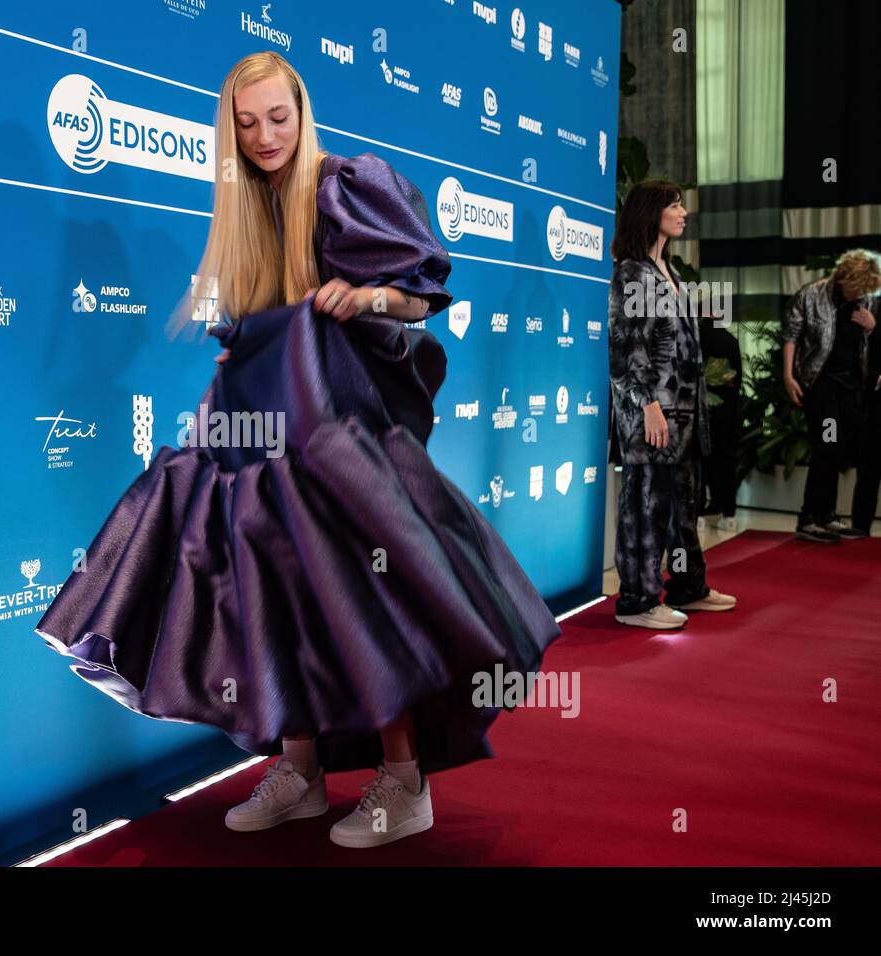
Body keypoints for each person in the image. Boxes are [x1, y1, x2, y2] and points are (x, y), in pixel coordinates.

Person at [34, 52, 560, 849]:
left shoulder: (348, 184)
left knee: (362, 599)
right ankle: (302, 773)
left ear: (302, 110)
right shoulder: (248, 209)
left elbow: (423, 294)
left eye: (277, 118)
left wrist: (367, 296)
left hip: (336, 427)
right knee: (266, 593)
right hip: (256, 423)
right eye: (246, 124)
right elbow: (254, 319)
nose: (264, 135)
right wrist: (239, 351)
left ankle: (404, 782)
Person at [607, 180, 738, 629]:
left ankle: (687, 586)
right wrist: (648, 405)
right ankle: (637, 601)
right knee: (645, 504)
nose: (683, 212)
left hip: (682, 411)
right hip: (652, 413)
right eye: (675, 205)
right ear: (651, 213)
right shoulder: (631, 273)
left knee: (682, 506)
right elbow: (625, 352)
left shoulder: (668, 270)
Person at [782, 249, 881, 541]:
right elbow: (791, 334)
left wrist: (872, 326)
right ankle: (809, 516)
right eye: (858, 287)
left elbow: (870, 345)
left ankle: (827, 515)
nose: (861, 293)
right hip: (821, 382)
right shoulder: (812, 295)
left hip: (851, 385)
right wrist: (788, 375)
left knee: (839, 449)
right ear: (844, 279)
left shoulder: (865, 302)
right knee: (828, 442)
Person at [698, 316, 742, 531]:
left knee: (700, 459)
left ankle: (698, 512)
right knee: (726, 460)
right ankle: (729, 512)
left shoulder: (696, 337)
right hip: (727, 408)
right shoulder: (731, 340)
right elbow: (738, 379)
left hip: (703, 406)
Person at [849, 301, 881, 535]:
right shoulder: (872, 302)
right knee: (869, 467)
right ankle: (860, 527)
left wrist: (874, 329)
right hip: (872, 400)